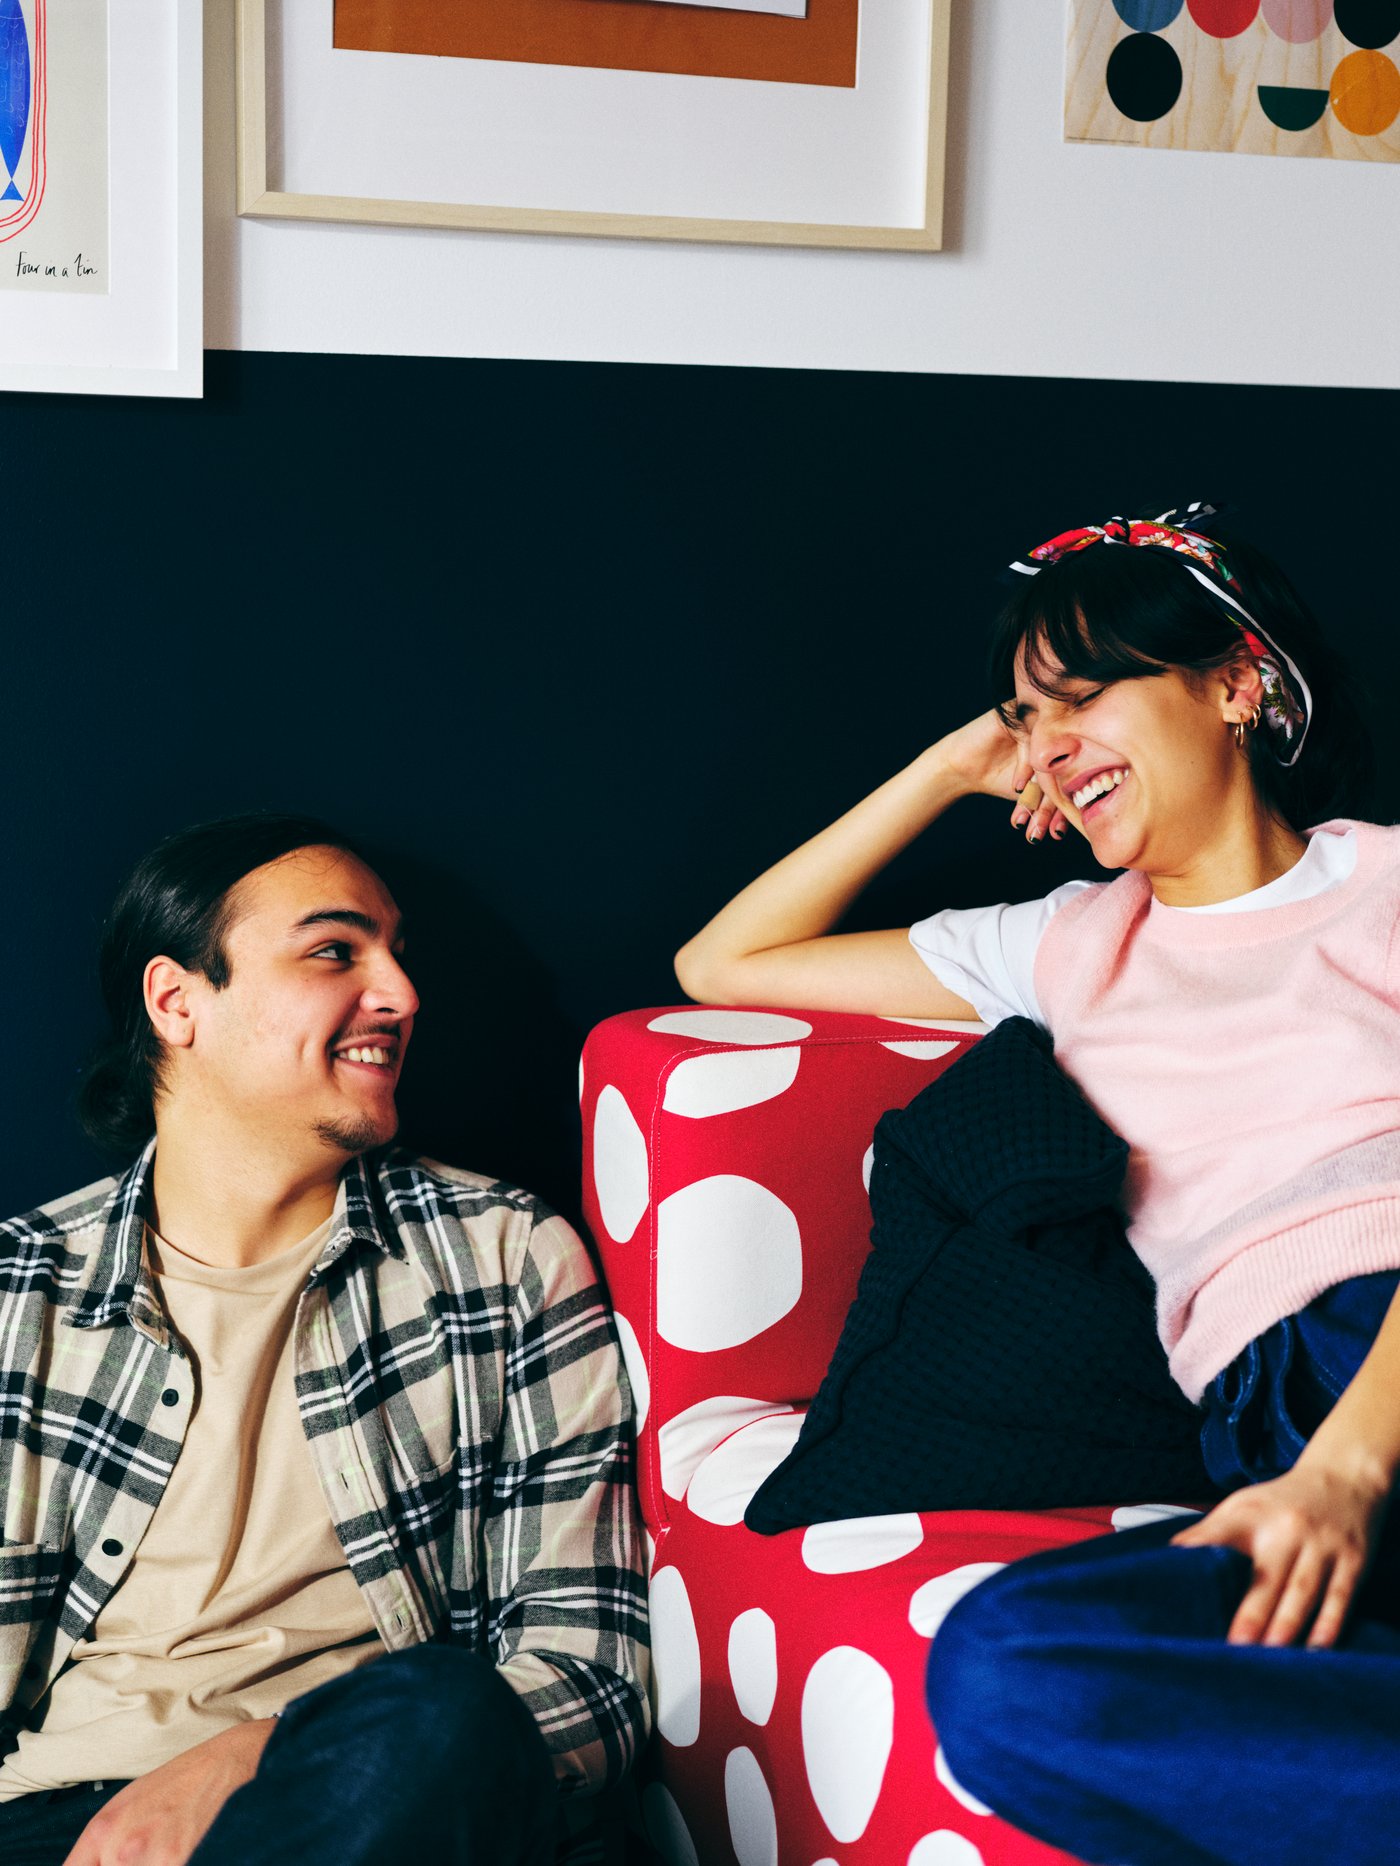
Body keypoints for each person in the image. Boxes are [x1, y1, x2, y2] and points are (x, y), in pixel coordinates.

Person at [675, 505, 1400, 1865]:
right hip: (1257, 1434)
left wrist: (1352, 1467)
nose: (1050, 743)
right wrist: (949, 766)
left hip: (1381, 1358)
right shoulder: (1060, 944)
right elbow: (722, 965)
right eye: (1025, 715)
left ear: (1234, 684)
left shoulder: (1386, 883)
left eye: (1083, 694)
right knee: (1010, 1669)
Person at [0, 814, 648, 1866]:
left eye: (397, 953)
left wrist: (254, 1753)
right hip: (51, 1823)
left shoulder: (502, 1256)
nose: (401, 994)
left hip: (363, 1798)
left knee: (448, 1708)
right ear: (177, 1002)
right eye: (336, 951)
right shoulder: (19, 1291)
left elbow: (593, 1678)